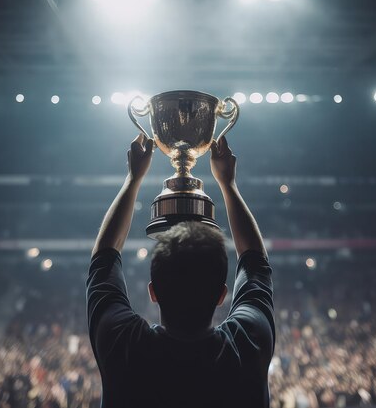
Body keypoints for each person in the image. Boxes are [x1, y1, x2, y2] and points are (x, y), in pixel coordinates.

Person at [87, 134, 275, 408]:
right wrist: (228, 184)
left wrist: (133, 179)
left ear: (153, 291)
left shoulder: (124, 346)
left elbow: (103, 259)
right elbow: (255, 264)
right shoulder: (248, 344)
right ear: (222, 294)